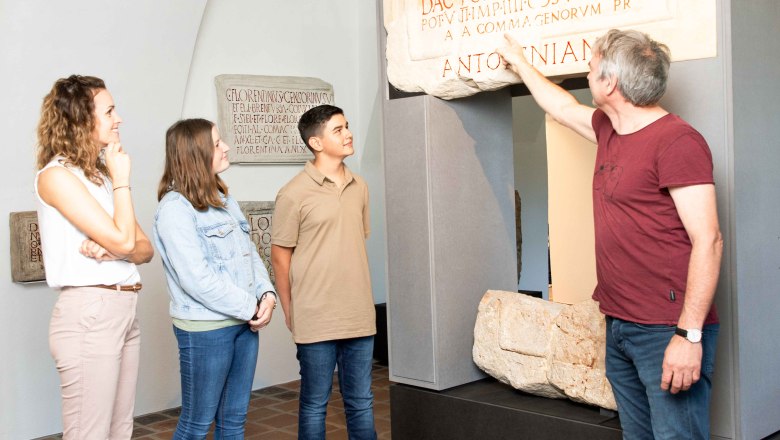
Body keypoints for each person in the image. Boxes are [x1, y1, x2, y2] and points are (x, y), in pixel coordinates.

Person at [498, 30, 723, 439]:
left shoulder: (678, 142)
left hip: (666, 328)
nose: (586, 72)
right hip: (619, 321)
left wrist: (688, 336)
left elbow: (709, 240)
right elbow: (563, 107)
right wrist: (519, 62)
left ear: (610, 83)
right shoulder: (609, 128)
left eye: (591, 66)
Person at [35, 75, 154, 439]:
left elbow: (144, 249)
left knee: (120, 429)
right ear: (81, 119)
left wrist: (117, 247)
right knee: (89, 433)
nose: (118, 119)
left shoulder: (99, 175)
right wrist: (122, 179)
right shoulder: (56, 176)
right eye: (110, 111)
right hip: (90, 314)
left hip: (123, 308)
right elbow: (125, 240)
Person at [153, 118, 277, 439]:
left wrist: (267, 295)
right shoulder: (175, 209)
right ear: (196, 153)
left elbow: (249, 252)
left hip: (243, 325)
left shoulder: (225, 199)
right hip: (207, 331)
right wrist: (251, 307)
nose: (226, 148)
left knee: (233, 421)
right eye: (218, 144)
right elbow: (197, 279)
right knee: (196, 424)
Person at [271, 104, 377, 440]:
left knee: (361, 401)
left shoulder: (360, 186)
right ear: (316, 143)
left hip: (359, 314)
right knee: (315, 403)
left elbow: (352, 242)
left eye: (347, 126)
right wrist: (290, 311)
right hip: (315, 316)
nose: (348, 134)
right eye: (338, 129)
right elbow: (279, 258)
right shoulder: (293, 193)